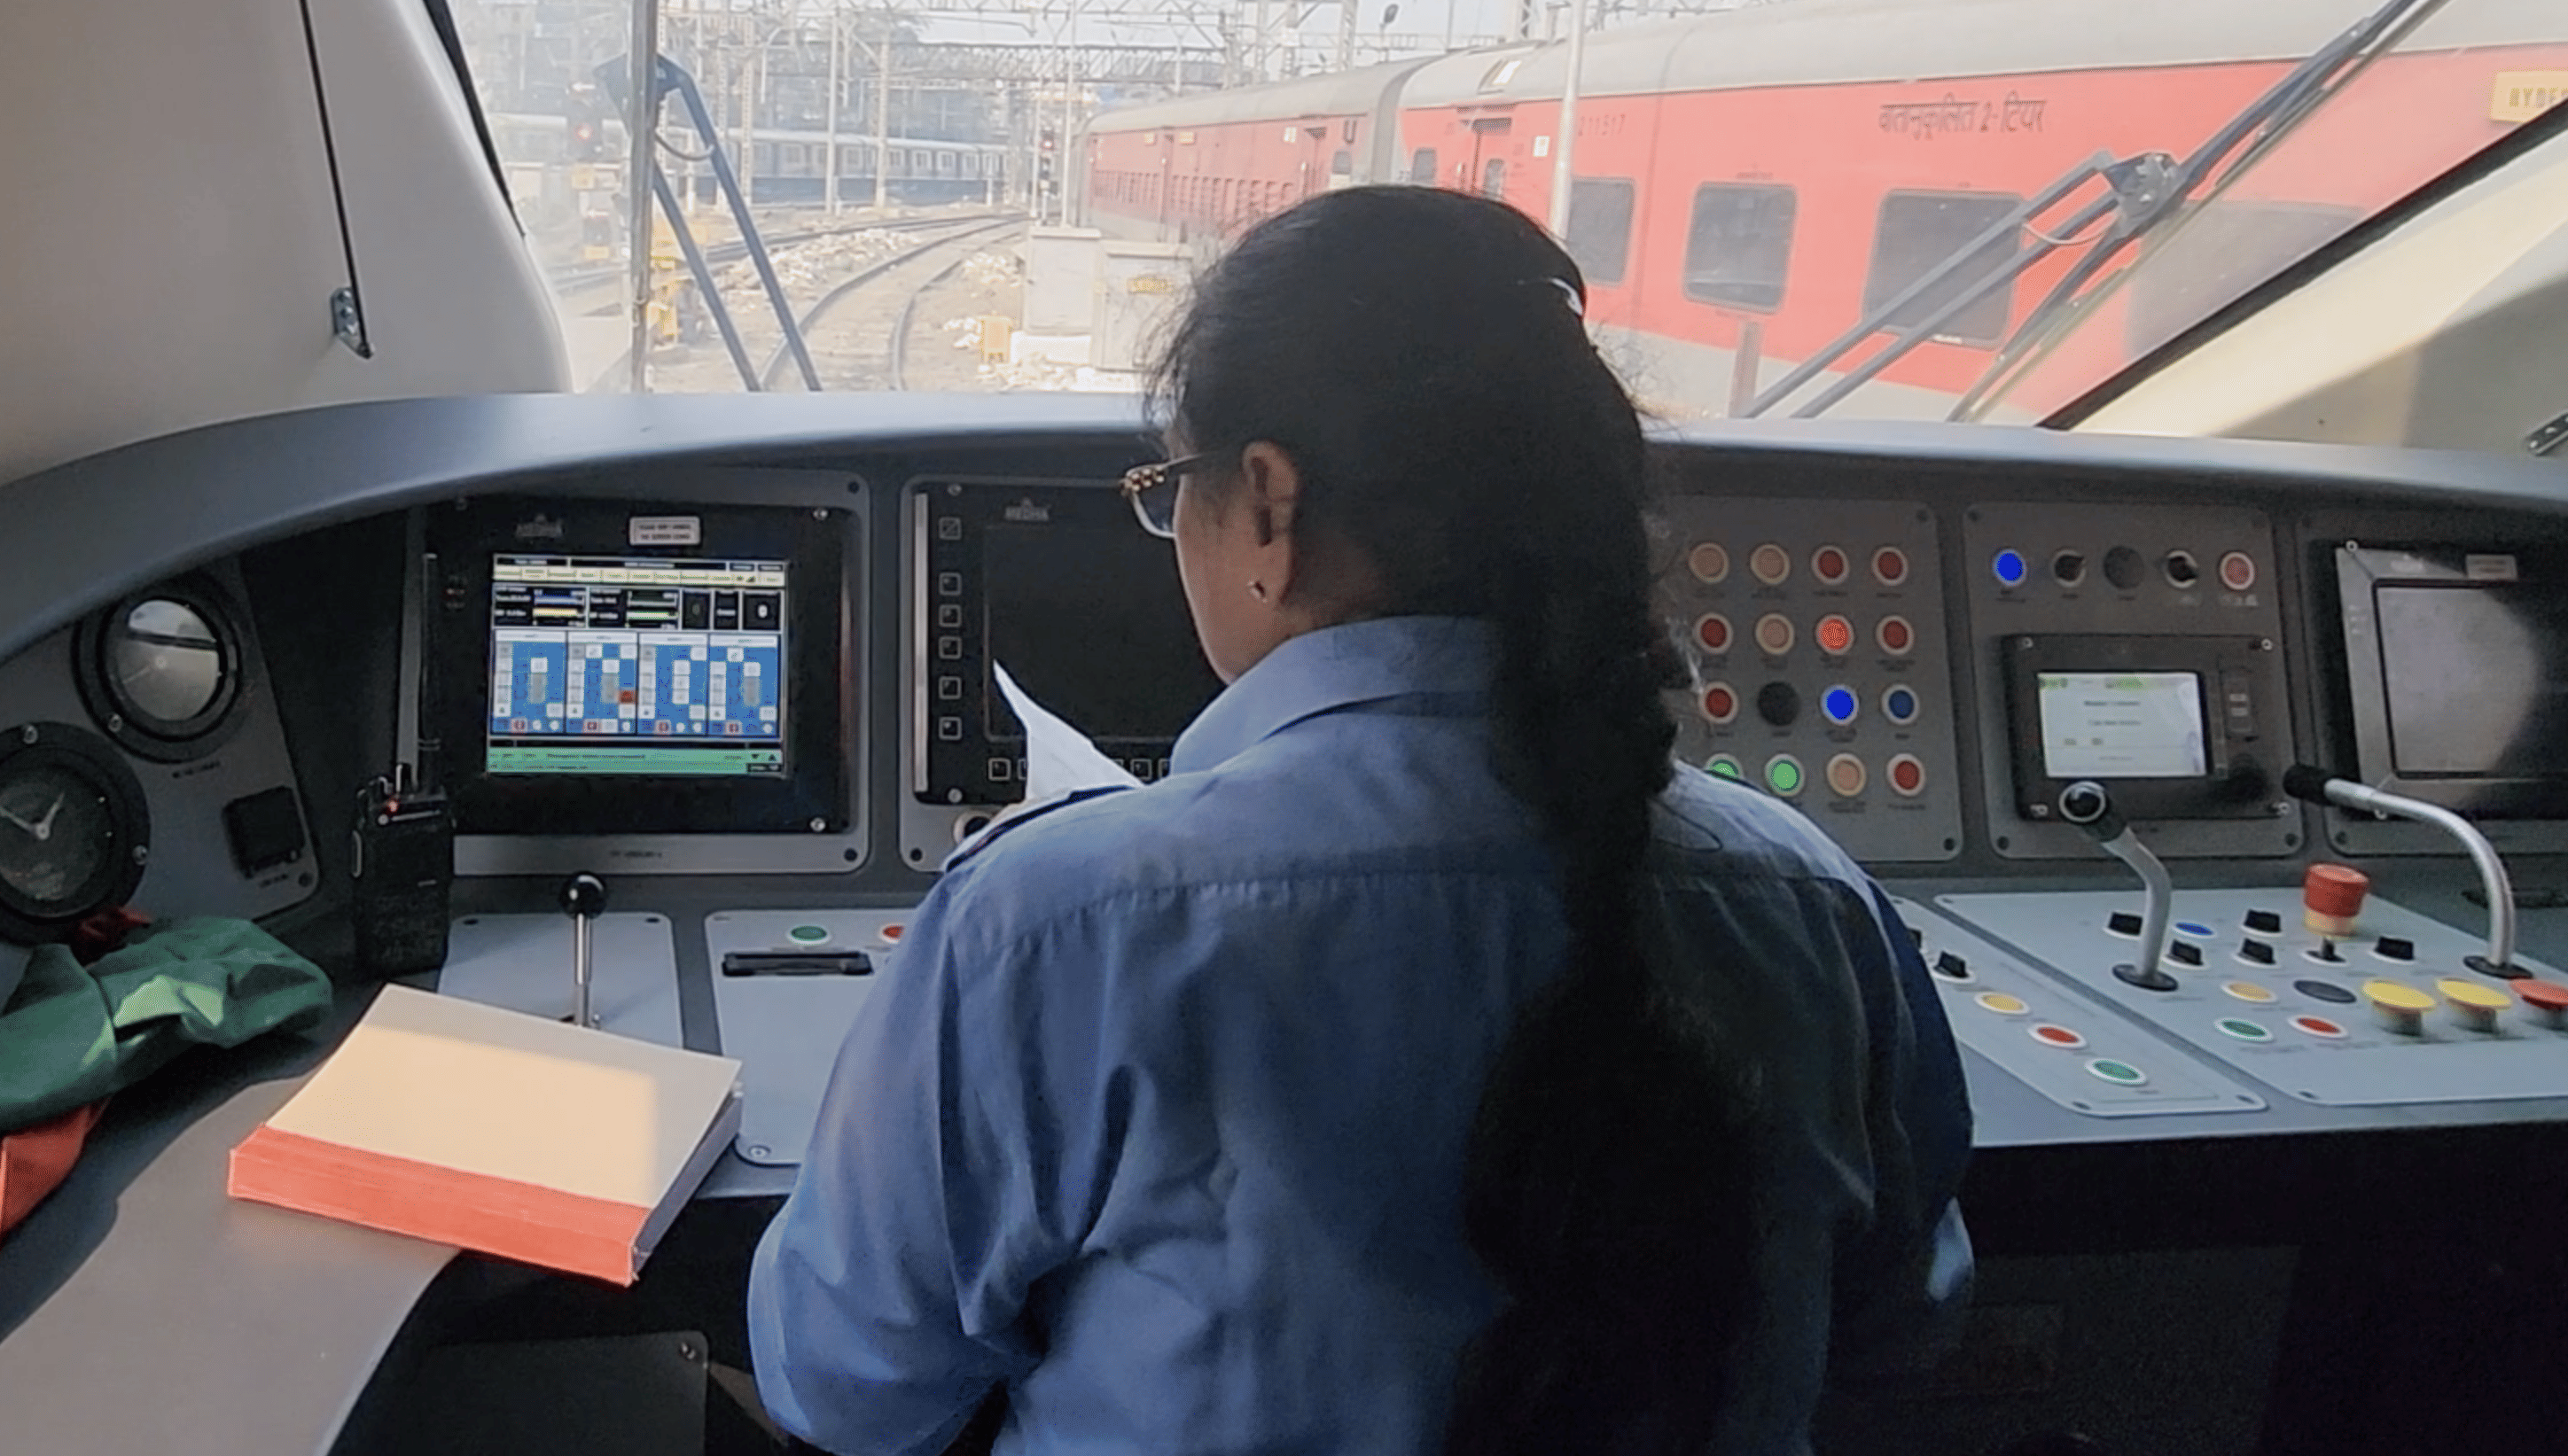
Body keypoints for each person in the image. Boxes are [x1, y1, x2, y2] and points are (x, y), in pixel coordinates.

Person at [746, 185, 1971, 1456]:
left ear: (1269, 502)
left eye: (1172, 492)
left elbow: (845, 1385)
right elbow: (1902, 1325)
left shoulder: (1054, 925)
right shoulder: (1817, 906)